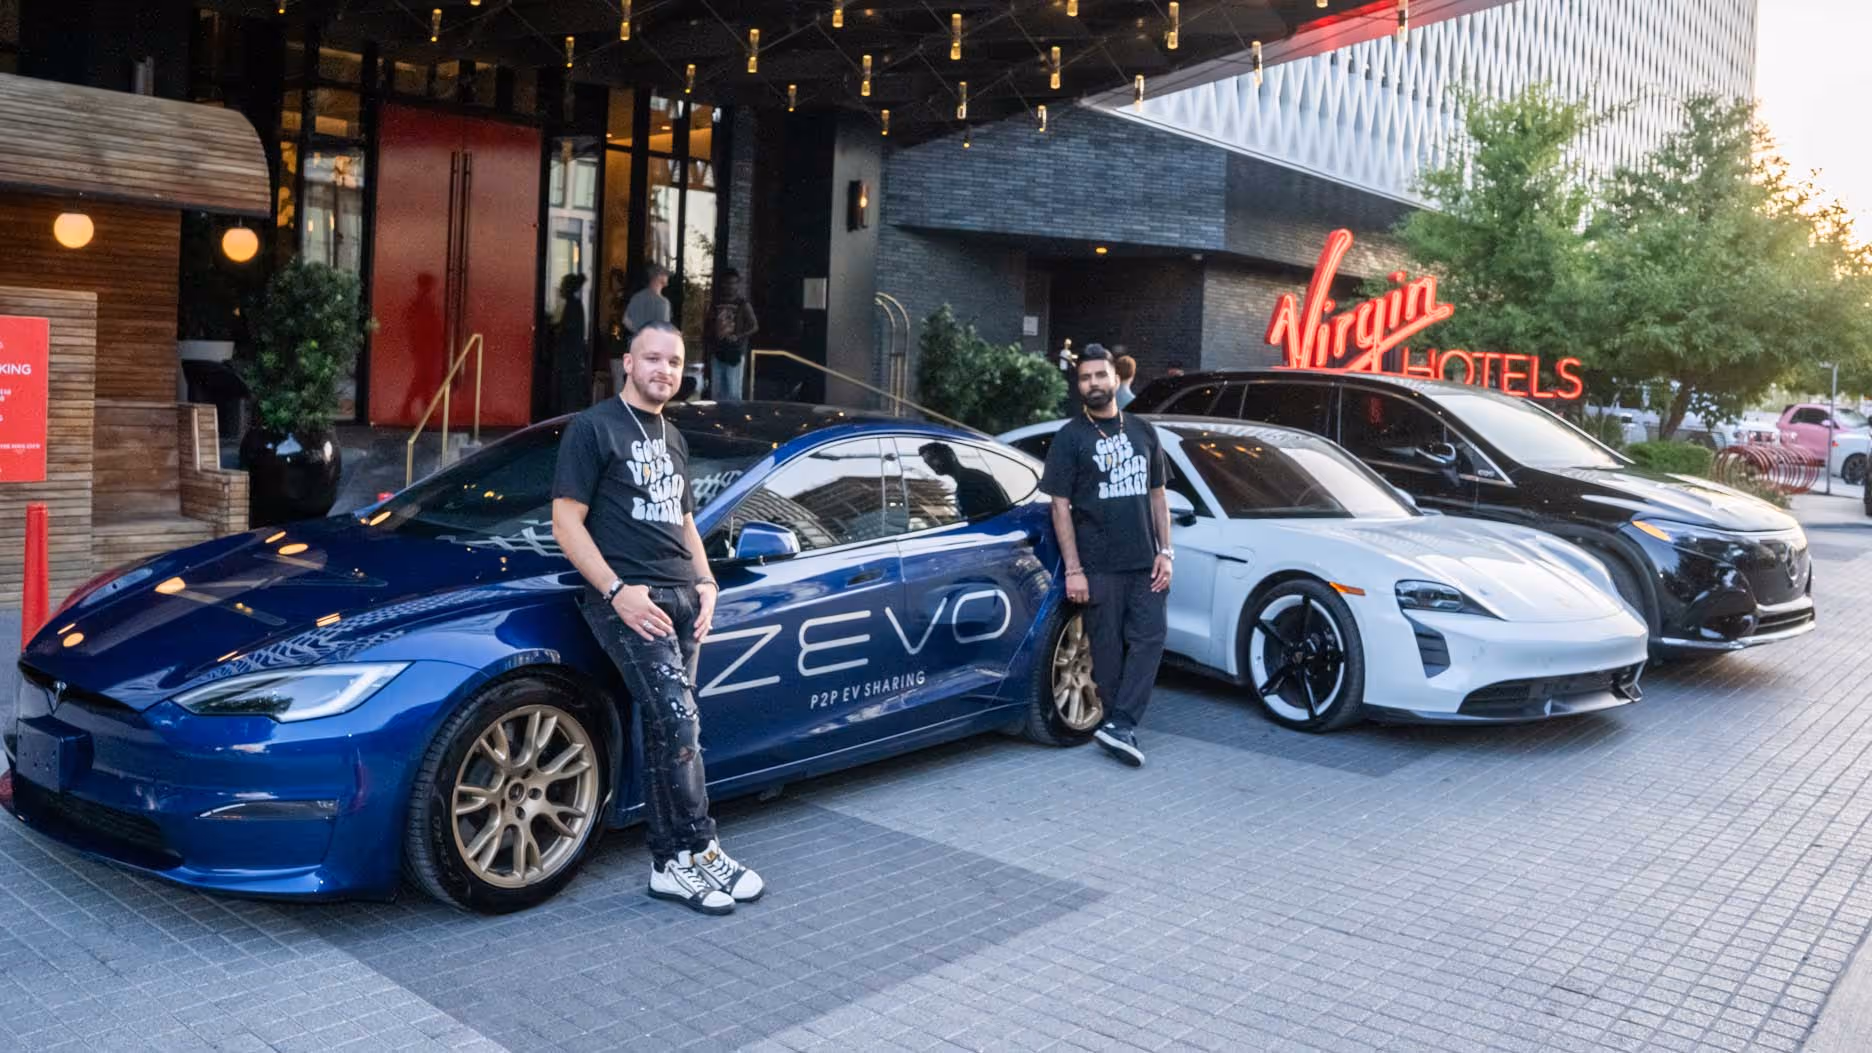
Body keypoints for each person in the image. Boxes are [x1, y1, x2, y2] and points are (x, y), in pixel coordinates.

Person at [550, 321, 763, 915]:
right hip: (631, 602)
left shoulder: (672, 435)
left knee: (670, 728)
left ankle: (675, 862)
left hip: (682, 600)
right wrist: (617, 590)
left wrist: (707, 582)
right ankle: (695, 847)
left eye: (673, 362)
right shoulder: (594, 429)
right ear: (627, 362)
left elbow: (685, 521)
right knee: (680, 722)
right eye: (652, 359)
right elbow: (565, 522)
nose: (664, 370)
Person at [1039, 345, 1173, 768]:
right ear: (1078, 385)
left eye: (1100, 375)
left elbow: (1158, 496)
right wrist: (1074, 571)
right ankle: (1120, 725)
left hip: (1145, 561)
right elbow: (1060, 507)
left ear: (1116, 379)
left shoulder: (1142, 431)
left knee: (1150, 639)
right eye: (1085, 377)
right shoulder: (1070, 438)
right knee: (1108, 649)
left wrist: (1166, 552)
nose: (1093, 383)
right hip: (1097, 564)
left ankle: (1120, 723)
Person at [612, 264, 672, 396]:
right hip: (653, 350)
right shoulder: (663, 303)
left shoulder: (637, 297)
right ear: (658, 277)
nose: (667, 277)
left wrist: (639, 332)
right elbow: (664, 330)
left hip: (635, 346)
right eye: (665, 274)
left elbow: (625, 320)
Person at [920, 441, 1010, 520]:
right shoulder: (969, 478)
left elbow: (978, 519)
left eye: (933, 458)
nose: (930, 464)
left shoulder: (971, 482)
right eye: (927, 462)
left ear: (951, 455)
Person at [706, 268, 759, 401]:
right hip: (717, 351)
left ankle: (733, 420)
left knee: (733, 393)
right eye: (727, 283)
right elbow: (708, 325)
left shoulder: (742, 304)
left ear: (737, 284)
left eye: (733, 283)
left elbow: (754, 326)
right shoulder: (716, 303)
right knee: (716, 393)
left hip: (734, 352)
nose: (730, 286)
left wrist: (738, 336)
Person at [553, 272, 590, 416]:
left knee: (568, 391)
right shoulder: (574, 304)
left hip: (570, 358)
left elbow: (566, 330)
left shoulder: (572, 306)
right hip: (572, 357)